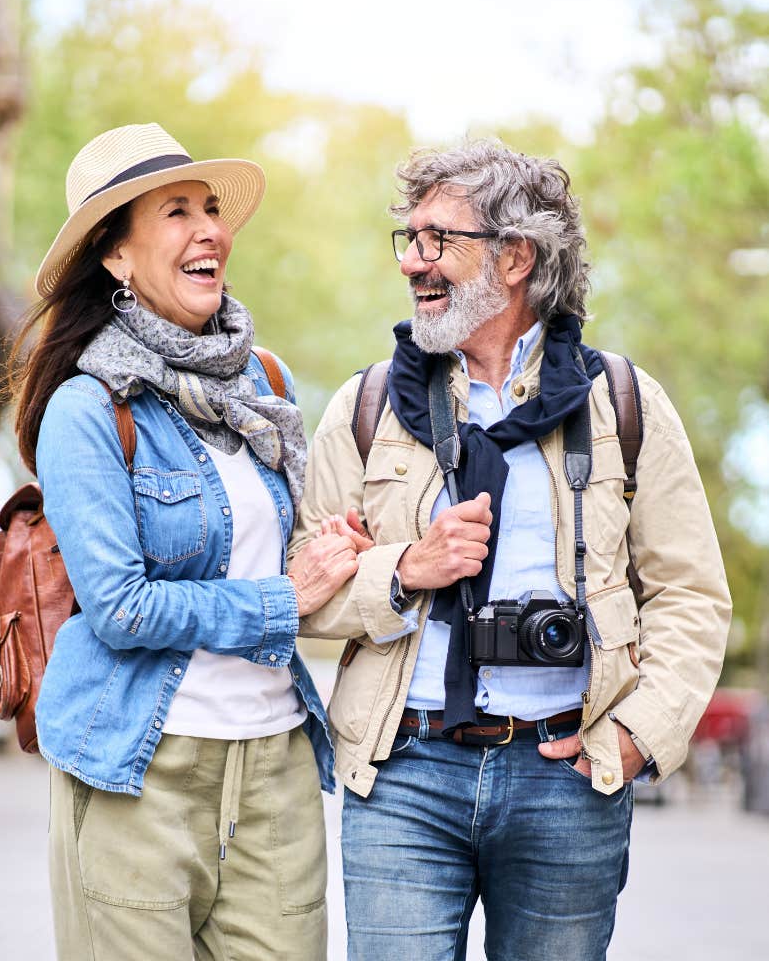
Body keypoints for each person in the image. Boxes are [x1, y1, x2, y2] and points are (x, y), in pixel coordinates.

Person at [290, 139, 731, 961]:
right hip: (403, 773)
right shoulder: (366, 406)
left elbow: (692, 595)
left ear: (516, 256)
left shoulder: (623, 404)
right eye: (408, 239)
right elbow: (302, 598)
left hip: (568, 774)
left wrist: (637, 734)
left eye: (437, 240)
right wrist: (404, 571)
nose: (413, 263)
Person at [2, 122, 358, 961]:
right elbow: (120, 607)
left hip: (274, 768)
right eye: (175, 212)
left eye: (210, 209)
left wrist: (345, 551)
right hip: (139, 769)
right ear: (116, 258)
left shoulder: (264, 384)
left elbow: (289, 550)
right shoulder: (88, 409)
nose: (210, 230)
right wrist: (286, 597)